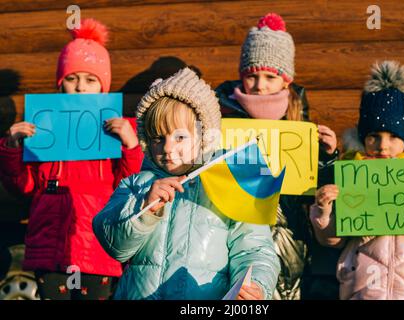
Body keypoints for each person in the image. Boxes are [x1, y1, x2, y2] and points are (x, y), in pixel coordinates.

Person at [93, 68, 281, 300]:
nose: (168, 148)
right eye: (158, 138)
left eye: (180, 137)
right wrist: (145, 210)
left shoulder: (230, 183)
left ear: (205, 136)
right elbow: (115, 245)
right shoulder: (137, 185)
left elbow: (254, 250)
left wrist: (255, 287)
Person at [0, 18, 143, 300]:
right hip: (50, 250)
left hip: (98, 250)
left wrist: (131, 145)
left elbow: (128, 185)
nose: (80, 88)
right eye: (72, 78)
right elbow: (25, 187)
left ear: (103, 87)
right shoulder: (44, 129)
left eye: (90, 80)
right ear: (60, 83)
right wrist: (12, 148)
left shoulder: (114, 131)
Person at [215, 12, 340, 299]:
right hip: (232, 234)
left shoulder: (299, 120)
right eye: (252, 76)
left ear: (286, 81)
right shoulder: (221, 116)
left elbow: (318, 190)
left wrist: (328, 156)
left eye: (270, 77)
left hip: (288, 240)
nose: (260, 86)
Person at [310, 60, 404, 299]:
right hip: (362, 289)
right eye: (374, 136)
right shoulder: (350, 172)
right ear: (364, 137)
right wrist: (324, 212)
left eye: (394, 136)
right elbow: (333, 240)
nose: (383, 146)